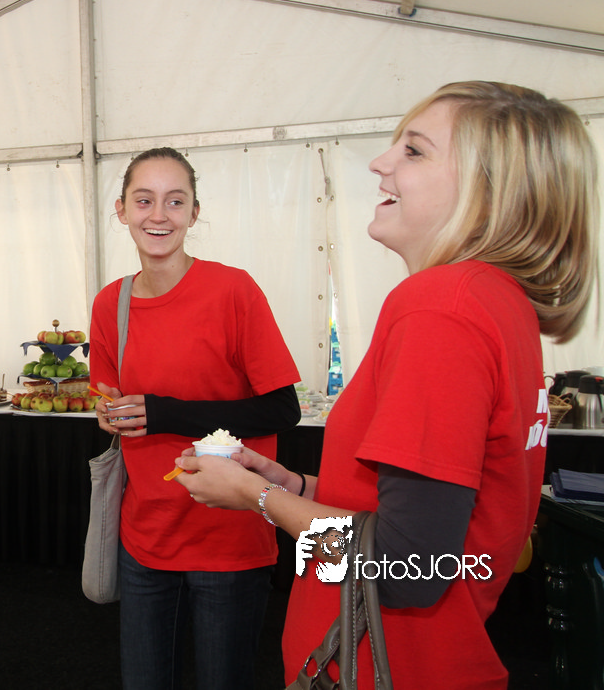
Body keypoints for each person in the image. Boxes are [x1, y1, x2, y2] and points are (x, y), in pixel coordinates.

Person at [175, 81, 598, 689]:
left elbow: (408, 568)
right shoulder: (494, 300)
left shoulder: (440, 307)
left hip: (385, 664)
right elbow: (419, 513)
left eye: (415, 151)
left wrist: (257, 497)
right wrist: (296, 486)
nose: (380, 162)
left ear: (488, 189)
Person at [91, 147, 302, 690]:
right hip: (146, 533)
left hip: (228, 535)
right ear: (121, 210)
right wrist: (108, 413)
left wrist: (166, 413)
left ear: (194, 211)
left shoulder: (233, 290)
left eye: (175, 201)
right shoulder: (111, 303)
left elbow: (283, 409)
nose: (158, 215)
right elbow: (110, 399)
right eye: (144, 200)